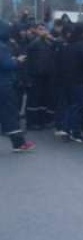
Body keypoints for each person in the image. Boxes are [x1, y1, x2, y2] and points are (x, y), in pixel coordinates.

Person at [56, 23, 83, 143]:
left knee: (69, 105)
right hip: (79, 79)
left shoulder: (67, 44)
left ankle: (66, 130)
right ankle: (75, 132)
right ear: (82, 32)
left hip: (65, 79)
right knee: (78, 105)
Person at [0, 21, 34, 152]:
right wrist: (17, 60)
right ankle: (19, 143)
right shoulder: (2, 47)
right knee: (10, 113)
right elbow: (7, 65)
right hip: (4, 84)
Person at [25, 22, 54, 130]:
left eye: (44, 29)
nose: (43, 31)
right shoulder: (33, 41)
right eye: (40, 29)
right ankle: (31, 122)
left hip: (46, 76)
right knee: (33, 100)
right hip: (34, 75)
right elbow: (28, 54)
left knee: (43, 100)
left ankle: (42, 120)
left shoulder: (48, 42)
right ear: (36, 30)